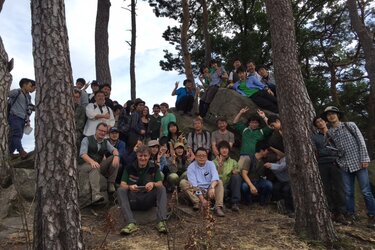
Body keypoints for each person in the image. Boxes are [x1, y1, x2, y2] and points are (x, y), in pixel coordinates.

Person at [322, 106, 375, 228]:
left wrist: (364, 159)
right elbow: (331, 150)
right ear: (327, 119)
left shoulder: (350, 125)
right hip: (344, 165)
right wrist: (338, 159)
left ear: (338, 115)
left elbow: (361, 141)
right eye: (328, 115)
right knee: (348, 192)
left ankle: (372, 216)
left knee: (366, 191)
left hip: (359, 162)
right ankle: (350, 214)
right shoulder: (329, 133)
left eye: (333, 113)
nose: (331, 116)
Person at [117, 145, 168, 235]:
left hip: (148, 198)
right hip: (133, 198)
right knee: (121, 190)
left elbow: (160, 183)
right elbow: (122, 184)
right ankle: (131, 223)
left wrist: (153, 184)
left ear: (149, 156)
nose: (143, 158)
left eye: (145, 156)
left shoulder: (154, 167)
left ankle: (161, 222)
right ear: (137, 155)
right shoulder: (129, 167)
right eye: (140, 155)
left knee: (161, 188)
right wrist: (130, 187)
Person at [312, 116, 347, 224]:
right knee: (326, 188)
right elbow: (314, 150)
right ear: (316, 125)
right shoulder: (314, 137)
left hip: (336, 161)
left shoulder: (334, 133)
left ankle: (341, 213)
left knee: (339, 187)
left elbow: (342, 146)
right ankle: (331, 212)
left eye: (321, 121)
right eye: (317, 122)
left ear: (325, 122)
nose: (320, 123)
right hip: (322, 163)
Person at [78, 123, 120, 203]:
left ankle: (111, 183)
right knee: (95, 167)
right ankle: (96, 195)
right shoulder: (87, 139)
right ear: (96, 130)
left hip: (98, 165)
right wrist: (92, 161)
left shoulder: (105, 142)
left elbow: (114, 150)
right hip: (84, 165)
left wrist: (116, 156)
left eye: (104, 131)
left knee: (114, 158)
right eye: (100, 130)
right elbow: (83, 154)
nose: (102, 133)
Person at [180, 147, 225, 216]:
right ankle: (197, 203)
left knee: (219, 182)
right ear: (195, 156)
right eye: (199, 156)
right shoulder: (191, 167)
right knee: (183, 182)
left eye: (204, 156)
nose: (201, 157)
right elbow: (194, 185)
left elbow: (215, 177)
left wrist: (212, 187)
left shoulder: (211, 164)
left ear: (207, 157)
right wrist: (202, 199)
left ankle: (218, 207)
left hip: (209, 191)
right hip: (196, 192)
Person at [8, 78, 34, 158]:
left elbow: (29, 107)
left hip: (23, 119)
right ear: (24, 85)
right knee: (17, 135)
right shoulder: (17, 92)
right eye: (31, 86)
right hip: (15, 116)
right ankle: (21, 151)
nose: (32, 88)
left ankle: (10, 153)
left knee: (18, 136)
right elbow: (6, 94)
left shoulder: (28, 97)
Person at [263, 148, 294, 217]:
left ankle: (290, 210)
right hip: (281, 181)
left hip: (289, 181)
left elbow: (281, 167)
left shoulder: (286, 159)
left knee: (286, 191)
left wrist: (271, 165)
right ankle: (281, 206)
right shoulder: (276, 161)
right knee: (275, 188)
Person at [241, 140, 273, 206]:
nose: (268, 152)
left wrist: (272, 148)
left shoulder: (265, 159)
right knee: (244, 186)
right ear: (262, 150)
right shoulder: (249, 159)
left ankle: (262, 201)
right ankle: (248, 201)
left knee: (269, 184)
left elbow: (281, 156)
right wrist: (251, 186)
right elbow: (244, 174)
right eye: (267, 150)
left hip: (258, 181)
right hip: (249, 182)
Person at [213, 141, 242, 212]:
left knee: (236, 177)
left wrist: (236, 171)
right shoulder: (213, 162)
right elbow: (213, 176)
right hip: (218, 186)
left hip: (229, 185)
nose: (224, 150)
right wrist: (219, 167)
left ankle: (235, 203)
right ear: (219, 150)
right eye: (222, 148)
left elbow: (239, 170)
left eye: (226, 148)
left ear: (229, 150)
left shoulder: (233, 162)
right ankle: (221, 204)